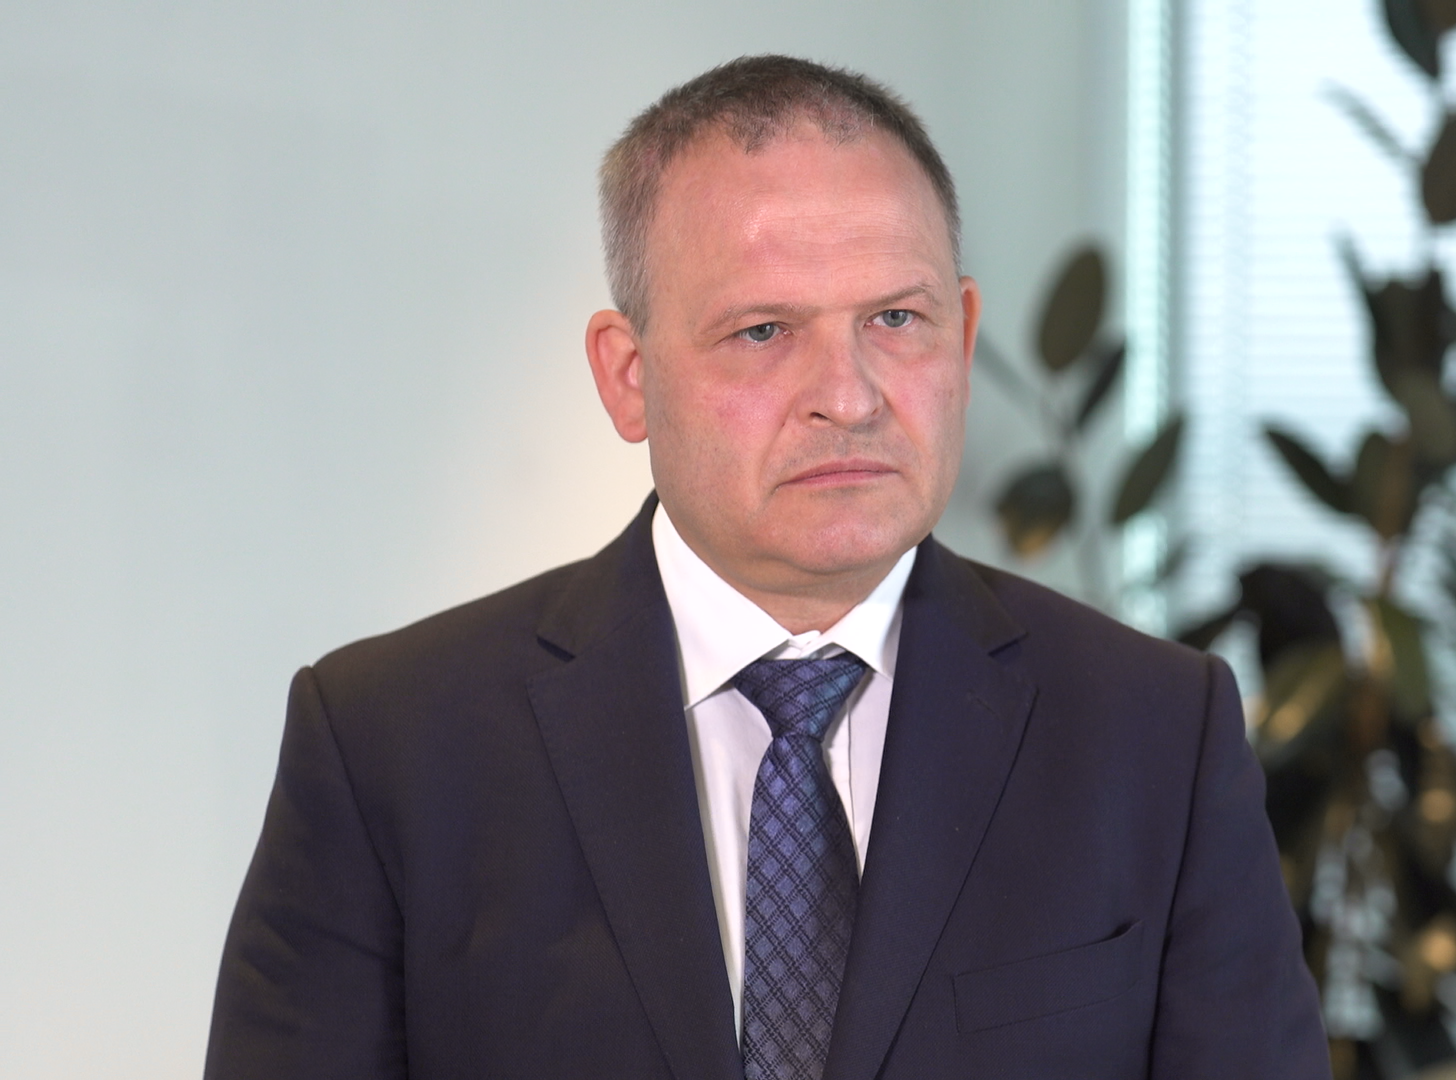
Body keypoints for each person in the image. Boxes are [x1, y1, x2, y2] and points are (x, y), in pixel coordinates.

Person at [204, 54, 1330, 1080]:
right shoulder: (392, 746)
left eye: (897, 318)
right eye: (763, 332)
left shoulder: (1155, 734)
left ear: (963, 333)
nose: (849, 395)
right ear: (628, 376)